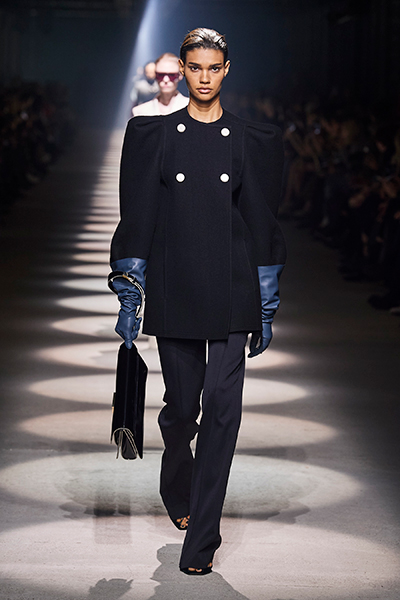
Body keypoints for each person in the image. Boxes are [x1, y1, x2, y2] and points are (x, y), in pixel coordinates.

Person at [109, 28, 286, 576]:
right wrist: (130, 291)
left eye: (213, 67)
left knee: (223, 414)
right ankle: (176, 476)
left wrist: (266, 300)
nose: (204, 77)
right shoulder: (154, 135)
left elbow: (262, 221)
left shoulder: (250, 138)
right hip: (176, 286)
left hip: (233, 290)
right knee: (183, 411)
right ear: (183, 70)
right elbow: (138, 214)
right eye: (195, 67)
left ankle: (202, 540)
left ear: (226, 69)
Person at [132, 52, 188, 117]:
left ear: (180, 76)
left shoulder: (193, 108)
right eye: (161, 75)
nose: (166, 80)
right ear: (155, 75)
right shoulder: (140, 112)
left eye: (171, 75)